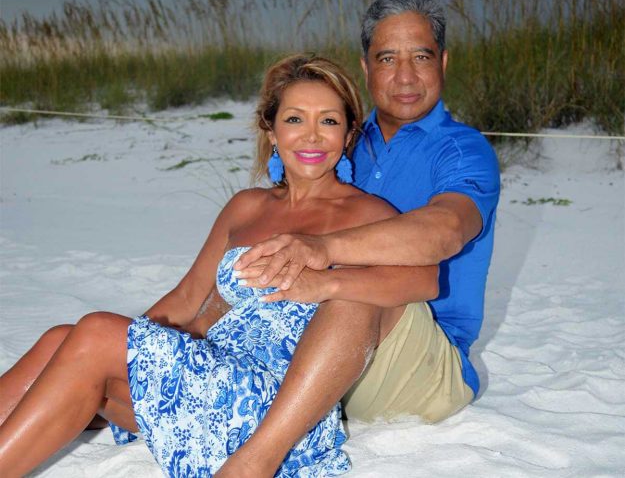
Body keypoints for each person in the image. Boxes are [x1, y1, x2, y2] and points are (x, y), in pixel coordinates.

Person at [0, 54, 440, 477]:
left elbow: (423, 279)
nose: (311, 136)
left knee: (95, 334)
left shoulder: (369, 214)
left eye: (328, 121)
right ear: (271, 130)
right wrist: (128, 348)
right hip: (208, 381)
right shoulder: (246, 207)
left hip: (274, 409)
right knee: (66, 339)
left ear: (347, 135)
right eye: (294, 119)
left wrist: (325, 283)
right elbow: (188, 297)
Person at [220, 0, 500, 476]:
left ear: (444, 62)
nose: (406, 76)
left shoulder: (463, 151)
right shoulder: (338, 136)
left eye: (421, 57)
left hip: (418, 364)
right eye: (388, 58)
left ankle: (255, 464)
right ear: (365, 67)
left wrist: (324, 251)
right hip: (319, 352)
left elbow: (445, 231)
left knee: (353, 292)